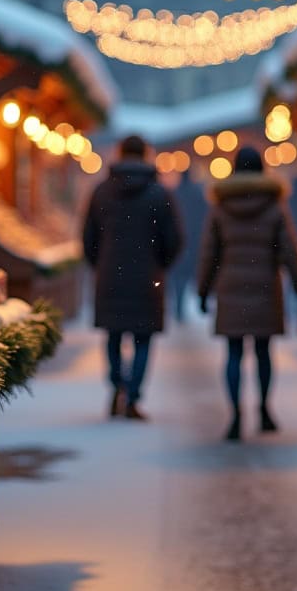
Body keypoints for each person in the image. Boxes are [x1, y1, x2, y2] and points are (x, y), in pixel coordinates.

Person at [197, 144, 297, 441]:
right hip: (264, 286)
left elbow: (209, 253)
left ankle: (235, 414)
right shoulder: (274, 205)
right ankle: (264, 410)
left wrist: (203, 290)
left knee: (233, 353)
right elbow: (289, 251)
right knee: (263, 352)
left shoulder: (221, 207)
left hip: (230, 286)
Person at [82, 134, 182, 420]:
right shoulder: (159, 194)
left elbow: (88, 237)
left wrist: (100, 264)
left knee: (113, 335)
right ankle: (133, 396)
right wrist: (159, 264)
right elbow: (174, 238)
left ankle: (117, 386)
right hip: (147, 277)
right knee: (143, 338)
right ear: (146, 154)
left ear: (120, 153)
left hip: (110, 275)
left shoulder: (101, 191)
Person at [169, 168, 208, 320]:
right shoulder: (197, 194)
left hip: (178, 240)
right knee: (185, 275)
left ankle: (178, 307)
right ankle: (181, 308)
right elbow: (204, 216)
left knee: (177, 276)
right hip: (192, 240)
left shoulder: (174, 193)